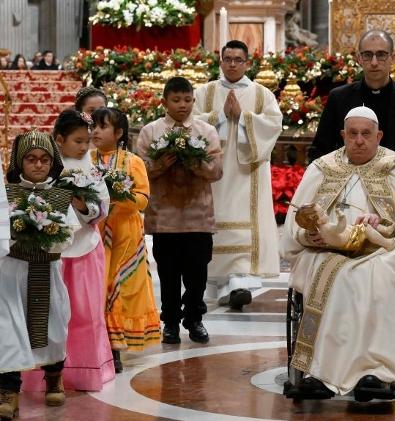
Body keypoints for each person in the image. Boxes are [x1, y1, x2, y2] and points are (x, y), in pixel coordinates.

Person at [280, 106, 395, 407]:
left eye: (366, 134)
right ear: (343, 135)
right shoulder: (323, 167)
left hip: (381, 252)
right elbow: (297, 219)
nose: (358, 140)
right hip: (326, 252)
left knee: (376, 278)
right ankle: (319, 372)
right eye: (352, 134)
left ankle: (376, 372)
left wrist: (382, 230)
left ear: (378, 135)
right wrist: (309, 235)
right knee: (331, 274)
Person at [21, 110, 114, 393]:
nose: (85, 147)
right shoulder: (43, 167)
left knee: (86, 313)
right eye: (77, 141)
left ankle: (84, 373)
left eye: (87, 141)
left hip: (86, 251)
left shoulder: (92, 169)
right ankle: (47, 375)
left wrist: (82, 205)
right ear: (59, 139)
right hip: (49, 254)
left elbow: (102, 208)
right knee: (47, 314)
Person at [193, 40, 282, 310]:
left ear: (247, 63)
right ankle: (221, 282)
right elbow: (191, 122)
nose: (232, 64)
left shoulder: (261, 94)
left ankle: (239, 283)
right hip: (214, 171)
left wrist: (243, 118)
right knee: (216, 222)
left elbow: (274, 124)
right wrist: (220, 116)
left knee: (245, 221)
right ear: (220, 61)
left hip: (248, 170)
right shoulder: (204, 92)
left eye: (238, 59)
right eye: (227, 59)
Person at [137, 77, 223, 345]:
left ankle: (195, 320)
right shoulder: (150, 132)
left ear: (193, 101)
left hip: (198, 216)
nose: (182, 105)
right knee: (169, 274)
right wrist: (161, 164)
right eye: (176, 100)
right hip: (165, 218)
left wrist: (194, 163)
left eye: (187, 100)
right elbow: (140, 171)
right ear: (164, 102)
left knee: (198, 275)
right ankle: (171, 323)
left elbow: (217, 171)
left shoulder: (206, 131)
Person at [0, 131, 80, 418]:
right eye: (31, 159)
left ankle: (54, 376)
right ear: (19, 162)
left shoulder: (60, 195)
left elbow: (69, 234)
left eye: (44, 159)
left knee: (54, 325)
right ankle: (8, 389)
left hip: (47, 270)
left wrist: (49, 235)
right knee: (9, 330)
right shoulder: (6, 193)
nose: (38, 165)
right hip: (12, 272)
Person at [309, 29, 395, 190]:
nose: (374, 62)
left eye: (381, 54)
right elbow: (320, 150)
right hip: (347, 191)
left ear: (393, 58)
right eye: (368, 55)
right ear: (359, 59)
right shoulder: (339, 98)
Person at [91, 108, 160, 372]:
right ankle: (100, 343)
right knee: (99, 285)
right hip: (97, 232)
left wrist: (118, 196)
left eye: (102, 127)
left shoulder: (133, 162)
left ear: (118, 133)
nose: (95, 132)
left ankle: (117, 347)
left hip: (126, 234)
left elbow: (142, 199)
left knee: (121, 284)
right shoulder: (88, 159)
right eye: (93, 127)